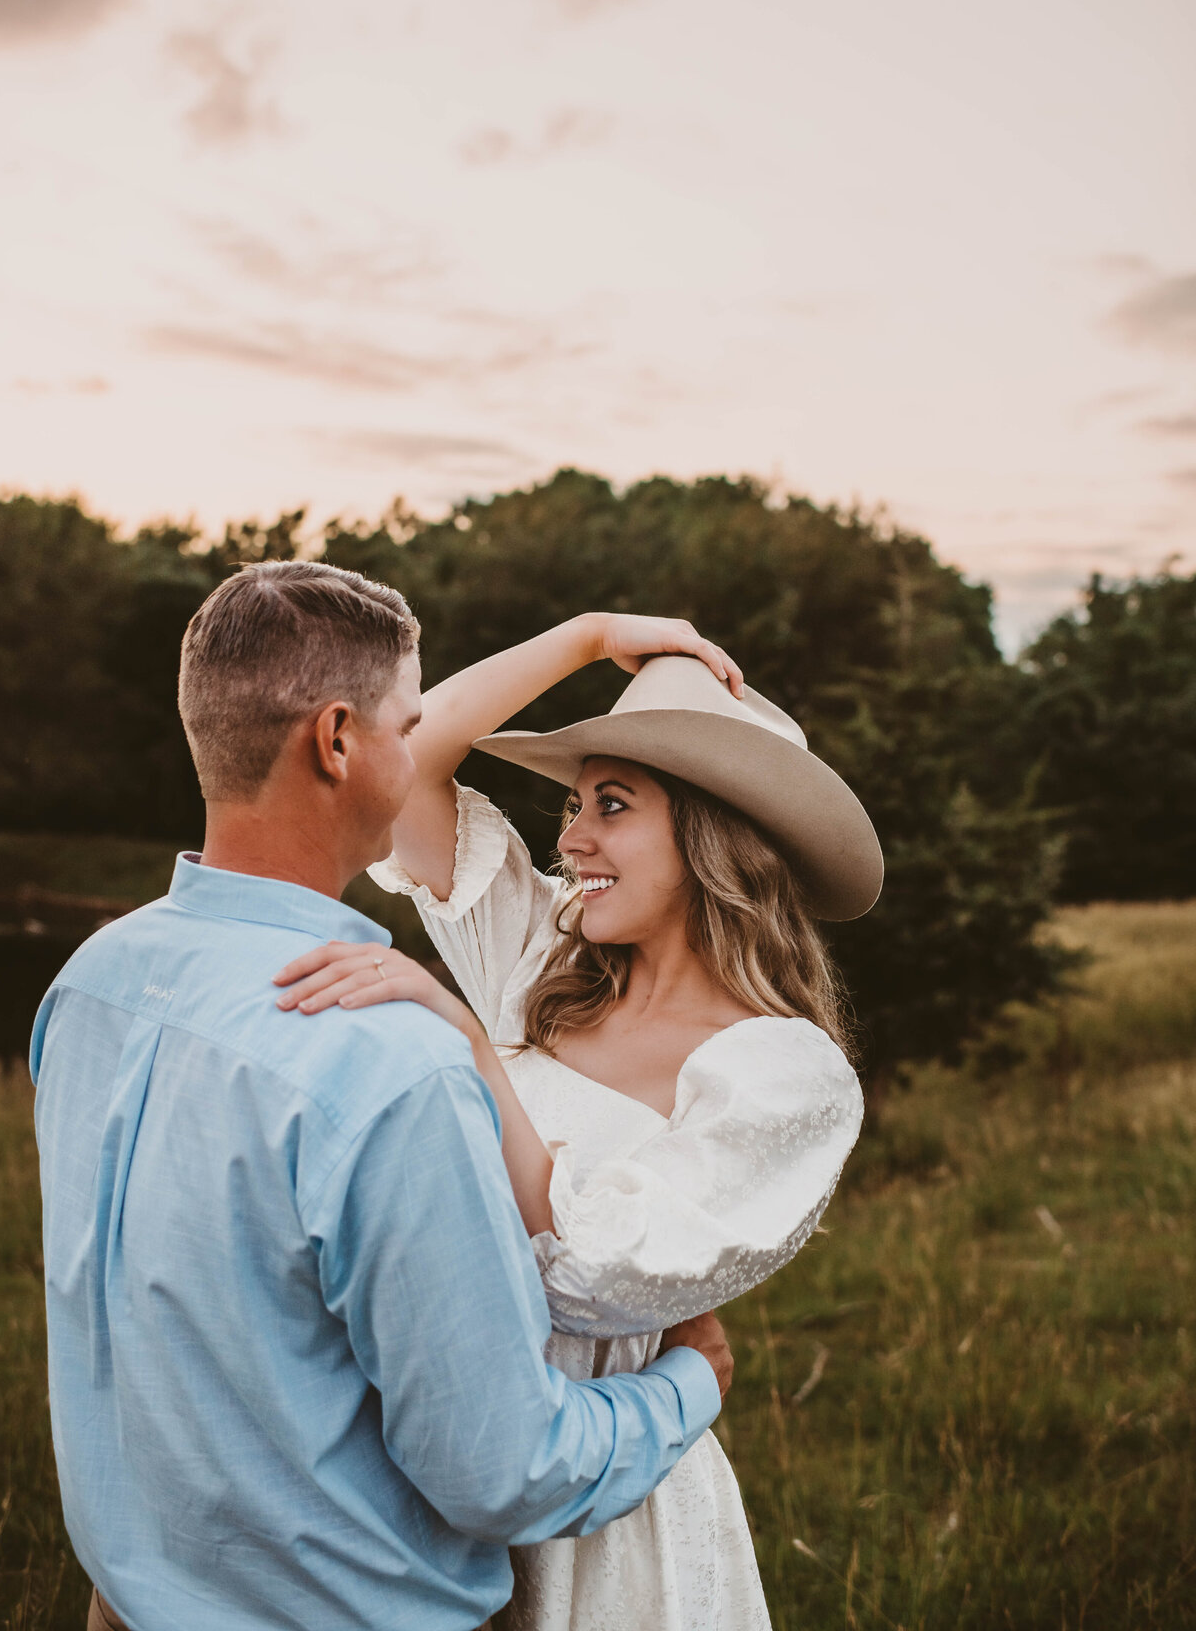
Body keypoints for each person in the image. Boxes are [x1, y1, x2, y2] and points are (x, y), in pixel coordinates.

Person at [30, 566, 734, 1631]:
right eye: (408, 721)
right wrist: (692, 1380)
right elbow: (508, 1471)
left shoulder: (88, 983)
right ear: (339, 744)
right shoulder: (390, 1064)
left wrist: (589, 632)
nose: (419, 747)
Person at [277, 611, 883, 1630]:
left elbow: (593, 1277)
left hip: (601, 1510)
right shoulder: (546, 960)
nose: (573, 836)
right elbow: (409, 768)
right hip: (421, 1446)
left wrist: (468, 1047)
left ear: (711, 833)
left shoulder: (783, 1074)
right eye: (572, 803)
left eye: (613, 805)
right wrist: (590, 637)